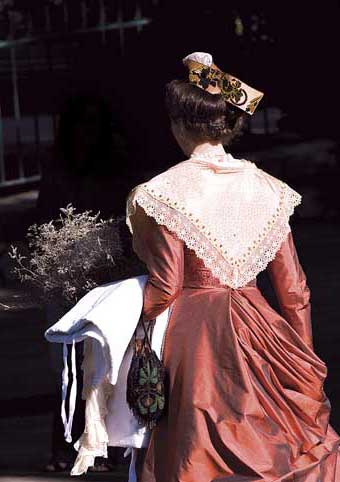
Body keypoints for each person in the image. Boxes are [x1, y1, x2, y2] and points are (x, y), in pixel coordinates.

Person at [126, 52, 340, 481]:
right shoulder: (270, 190)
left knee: (198, 453)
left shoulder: (162, 192)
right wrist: (303, 360)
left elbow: (166, 286)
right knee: (277, 449)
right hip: (264, 332)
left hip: (198, 340)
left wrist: (122, 313)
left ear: (178, 124)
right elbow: (294, 290)